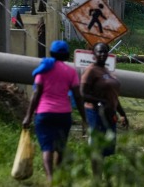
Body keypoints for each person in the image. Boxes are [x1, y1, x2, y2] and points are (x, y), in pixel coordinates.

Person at [23, 40, 87, 184]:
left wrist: (28, 116)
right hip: (63, 115)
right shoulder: (71, 72)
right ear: (66, 56)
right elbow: (77, 96)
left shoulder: (44, 69)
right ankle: (58, 175)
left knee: (47, 148)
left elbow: (36, 94)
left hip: (44, 113)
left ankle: (50, 178)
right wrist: (84, 118)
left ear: (51, 53)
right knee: (60, 147)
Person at [81, 42, 128, 177]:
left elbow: (113, 96)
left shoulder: (107, 71)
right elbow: (82, 94)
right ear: (93, 54)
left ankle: (100, 175)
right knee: (97, 146)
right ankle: (97, 178)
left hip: (109, 113)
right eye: (99, 52)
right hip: (95, 113)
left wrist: (123, 114)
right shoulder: (91, 70)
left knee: (106, 147)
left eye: (104, 52)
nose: (102, 54)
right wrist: (101, 102)